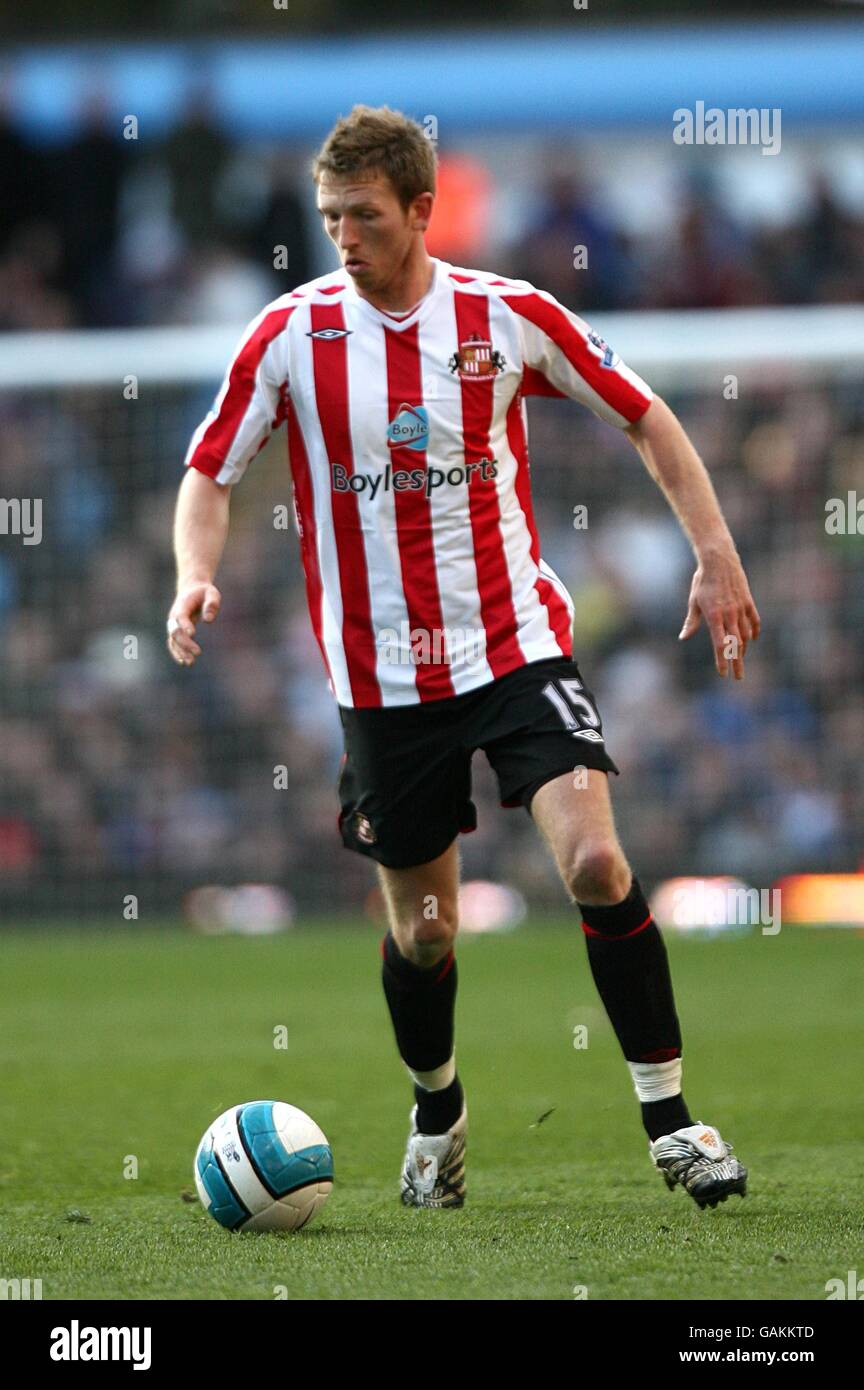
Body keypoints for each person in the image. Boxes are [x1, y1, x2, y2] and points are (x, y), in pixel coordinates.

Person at [167, 105, 761, 1213]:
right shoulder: (290, 336)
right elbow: (210, 471)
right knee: (425, 932)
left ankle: (673, 1120)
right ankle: (437, 1112)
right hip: (383, 686)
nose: (344, 235)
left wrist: (715, 553)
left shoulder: (506, 316)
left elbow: (645, 414)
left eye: (365, 215)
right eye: (330, 216)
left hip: (515, 651)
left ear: (423, 209)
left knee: (593, 864)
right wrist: (192, 572)